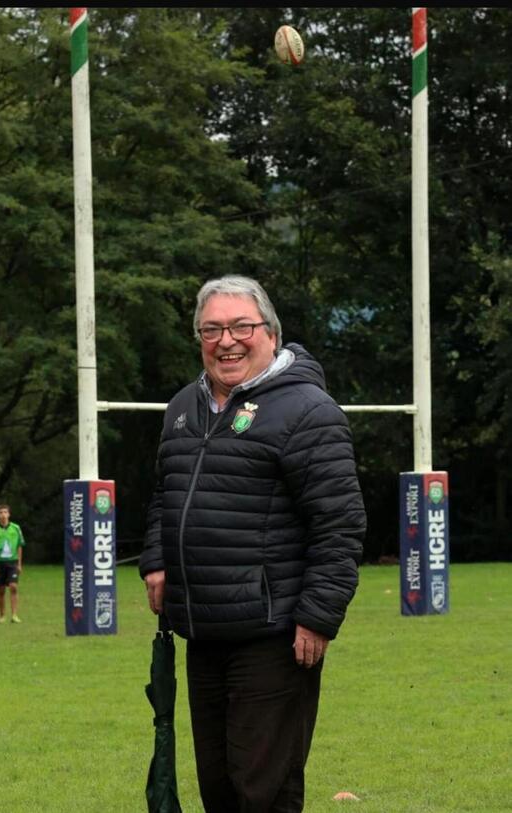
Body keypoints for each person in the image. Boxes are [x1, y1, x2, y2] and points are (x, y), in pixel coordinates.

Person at [139, 275, 366, 813]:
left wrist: (318, 615)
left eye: (241, 326)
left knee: (262, 790)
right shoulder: (183, 406)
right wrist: (156, 559)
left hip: (274, 634)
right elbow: (166, 493)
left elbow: (339, 525)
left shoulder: (308, 411)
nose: (226, 341)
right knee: (219, 789)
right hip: (203, 629)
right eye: (211, 329)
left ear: (270, 333)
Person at [0, 503, 25, 624]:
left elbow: (20, 546)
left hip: (12, 562)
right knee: (1, 590)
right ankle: (2, 615)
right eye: (1, 513)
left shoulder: (16, 528)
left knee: (13, 586)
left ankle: (14, 615)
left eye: (5, 512)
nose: (3, 515)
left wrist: (19, 564)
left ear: (9, 514)